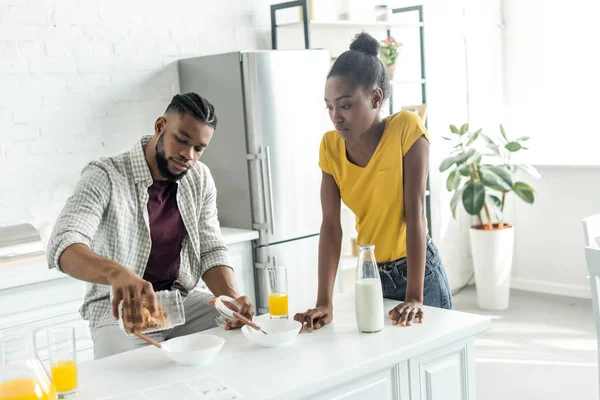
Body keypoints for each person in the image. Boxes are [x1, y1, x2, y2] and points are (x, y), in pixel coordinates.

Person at [46, 93, 254, 359]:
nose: (188, 155)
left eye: (199, 148)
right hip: (120, 313)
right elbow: (63, 242)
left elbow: (211, 250)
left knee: (243, 335)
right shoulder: (105, 174)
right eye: (181, 140)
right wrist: (116, 274)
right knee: (127, 376)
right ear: (160, 127)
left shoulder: (199, 178)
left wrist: (231, 301)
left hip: (181, 303)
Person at [294, 33, 452, 332]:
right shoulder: (330, 147)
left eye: (345, 105)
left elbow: (414, 212)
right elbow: (330, 226)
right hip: (370, 275)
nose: (335, 117)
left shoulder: (406, 128)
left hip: (418, 273)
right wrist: (324, 302)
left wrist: (415, 297)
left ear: (376, 98)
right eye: (329, 107)